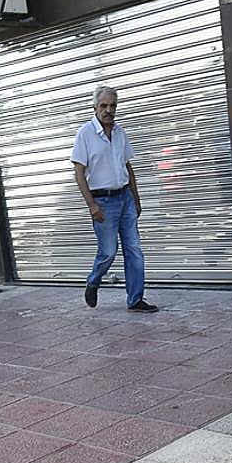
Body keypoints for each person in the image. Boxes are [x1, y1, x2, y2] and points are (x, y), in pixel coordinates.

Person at [71, 86, 159, 313]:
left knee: (134, 250)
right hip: (103, 203)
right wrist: (92, 205)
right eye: (104, 106)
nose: (108, 110)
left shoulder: (120, 133)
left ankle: (135, 299)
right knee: (108, 252)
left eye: (112, 106)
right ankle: (93, 280)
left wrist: (136, 199)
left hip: (125, 198)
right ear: (95, 107)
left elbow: (127, 167)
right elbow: (79, 173)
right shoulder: (85, 134)